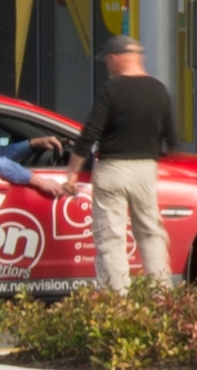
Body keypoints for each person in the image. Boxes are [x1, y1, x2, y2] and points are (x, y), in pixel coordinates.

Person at [73, 35, 179, 290]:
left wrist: (71, 172)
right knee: (151, 233)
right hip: (145, 171)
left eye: (108, 61)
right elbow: (171, 138)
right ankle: (161, 293)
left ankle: (117, 299)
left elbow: (90, 133)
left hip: (113, 170)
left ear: (115, 58)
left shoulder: (111, 90)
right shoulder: (158, 90)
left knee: (111, 237)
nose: (108, 67)